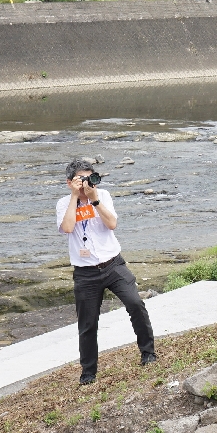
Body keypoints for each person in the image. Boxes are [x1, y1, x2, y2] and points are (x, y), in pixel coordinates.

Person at [58, 158, 156, 386]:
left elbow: (112, 224)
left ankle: (148, 352)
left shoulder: (103, 195)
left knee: (135, 303)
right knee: (88, 323)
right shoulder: (64, 203)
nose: (86, 183)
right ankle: (88, 372)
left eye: (89, 178)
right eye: (80, 179)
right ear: (69, 182)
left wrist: (94, 200)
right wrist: (75, 197)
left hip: (113, 264)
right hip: (85, 273)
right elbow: (68, 228)